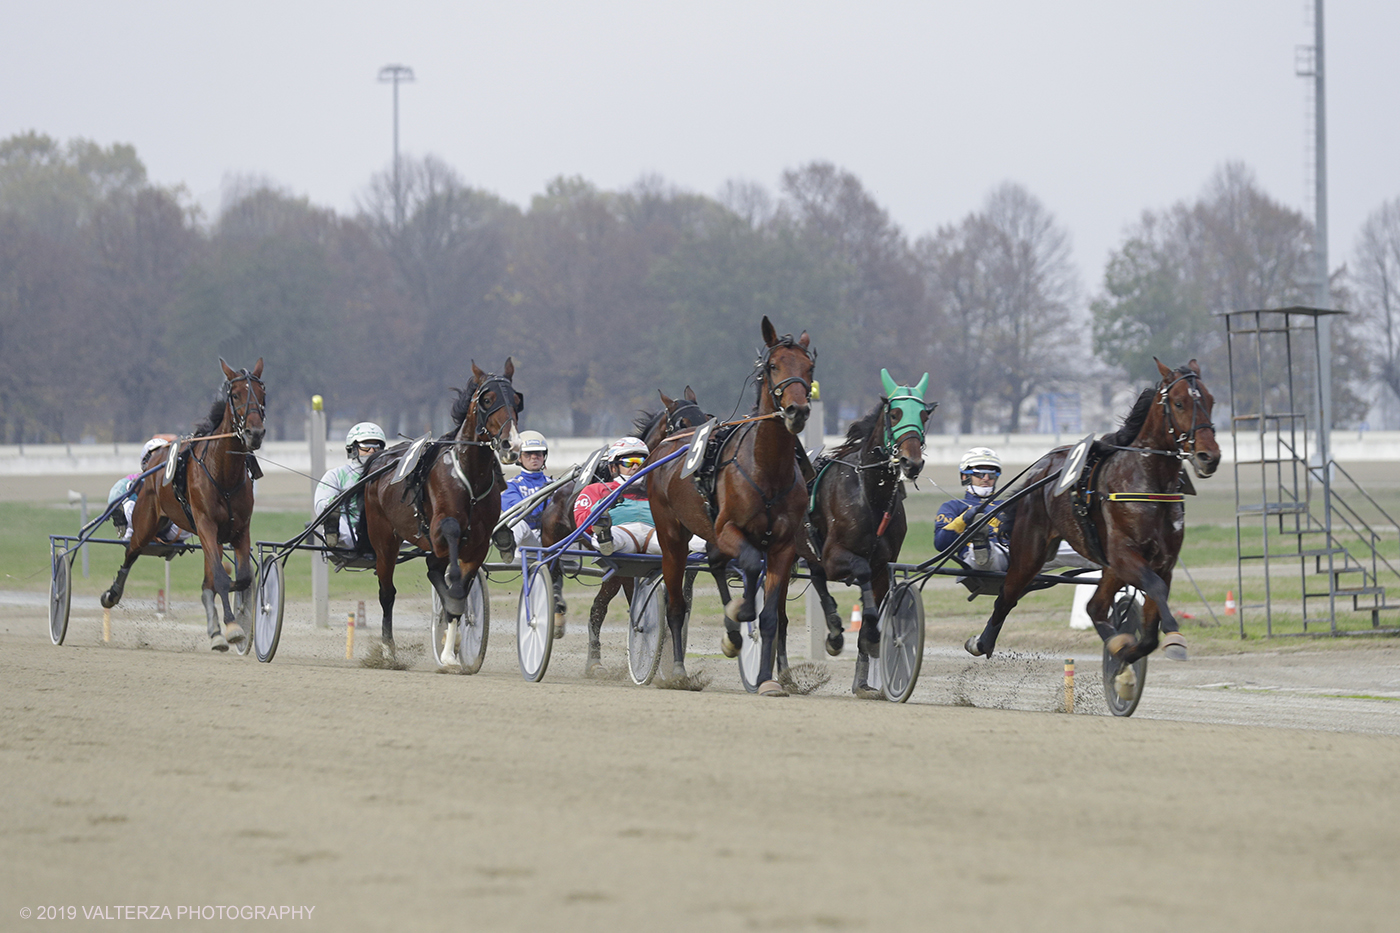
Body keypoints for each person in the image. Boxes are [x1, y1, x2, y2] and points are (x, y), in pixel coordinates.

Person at [573, 436, 661, 555]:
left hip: (657, 533)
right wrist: (604, 504)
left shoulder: (658, 489)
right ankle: (605, 536)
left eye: (640, 462)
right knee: (611, 536)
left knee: (686, 540)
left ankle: (693, 556)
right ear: (614, 467)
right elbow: (582, 524)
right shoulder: (596, 489)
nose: (635, 467)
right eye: (628, 463)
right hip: (621, 531)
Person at [314, 422, 386, 552]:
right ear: (352, 449)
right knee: (335, 519)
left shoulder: (388, 476)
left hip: (382, 532)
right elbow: (320, 504)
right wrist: (333, 504)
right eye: (366, 446)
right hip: (348, 531)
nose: (372, 451)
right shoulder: (336, 475)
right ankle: (332, 531)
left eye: (376, 446)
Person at [935, 447, 1010, 573]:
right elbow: (941, 544)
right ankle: (982, 546)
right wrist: (964, 519)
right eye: (980, 474)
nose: (986, 478)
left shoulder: (1008, 505)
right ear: (965, 476)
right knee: (986, 553)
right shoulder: (953, 506)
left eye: (991, 474)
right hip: (975, 559)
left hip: (1016, 555)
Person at [108, 435, 186, 543]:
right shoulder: (134, 479)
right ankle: (130, 533)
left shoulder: (173, 481)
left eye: (166, 455)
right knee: (128, 503)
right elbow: (115, 493)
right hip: (141, 524)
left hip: (167, 529)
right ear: (146, 461)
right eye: (158, 455)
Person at [497, 430, 552, 554]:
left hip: (554, 540)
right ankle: (507, 552)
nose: (534, 457)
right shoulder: (511, 485)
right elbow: (517, 511)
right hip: (529, 541)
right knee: (518, 524)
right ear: (519, 457)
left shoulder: (555, 484)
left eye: (538, 453)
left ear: (544, 457)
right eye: (528, 454)